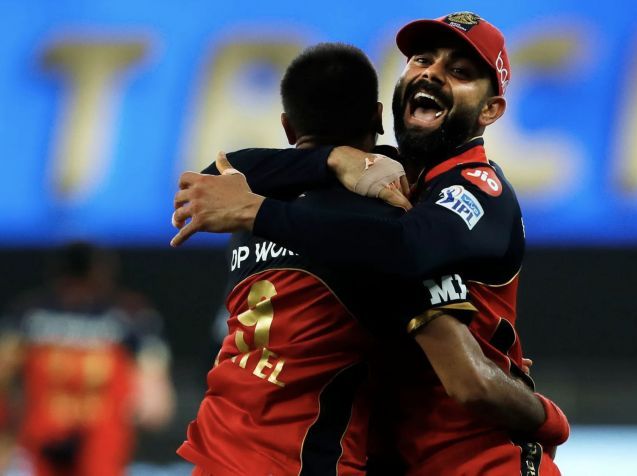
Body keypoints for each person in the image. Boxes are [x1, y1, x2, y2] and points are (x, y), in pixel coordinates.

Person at [176, 42, 565, 476]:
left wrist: (259, 207)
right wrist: (547, 416)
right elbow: (467, 377)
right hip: (354, 458)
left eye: (457, 71)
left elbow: (213, 181)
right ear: (381, 115)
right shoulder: (382, 221)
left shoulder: (465, 195)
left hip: (469, 460)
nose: (432, 73)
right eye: (421, 59)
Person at [0, 242, 175, 476]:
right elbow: (156, 404)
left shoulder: (28, 314)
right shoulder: (129, 315)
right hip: (59, 440)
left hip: (85, 440)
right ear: (101, 272)